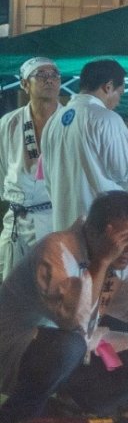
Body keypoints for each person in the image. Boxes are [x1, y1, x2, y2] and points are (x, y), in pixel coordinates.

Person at [0, 190, 128, 423]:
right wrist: (102, 261)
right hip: (18, 349)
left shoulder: (125, 260)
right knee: (69, 346)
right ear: (95, 232)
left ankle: (73, 407)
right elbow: (72, 320)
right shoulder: (56, 250)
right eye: (122, 240)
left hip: (76, 351)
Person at [43, 60, 128, 233]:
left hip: (64, 226)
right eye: (120, 93)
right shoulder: (106, 119)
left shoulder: (53, 122)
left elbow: (48, 179)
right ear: (108, 86)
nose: (119, 101)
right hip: (99, 226)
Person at [0, 57, 64, 279]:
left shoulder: (70, 121)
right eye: (41, 75)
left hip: (57, 217)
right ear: (24, 84)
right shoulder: (9, 123)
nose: (50, 81)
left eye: (54, 75)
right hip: (19, 218)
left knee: (56, 292)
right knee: (12, 291)